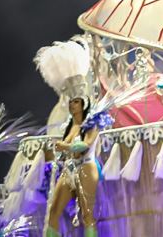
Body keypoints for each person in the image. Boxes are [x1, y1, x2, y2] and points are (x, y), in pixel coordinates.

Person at [44, 96, 101, 237]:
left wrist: (64, 145)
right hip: (68, 171)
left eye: (76, 101)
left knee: (87, 213)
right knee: (54, 211)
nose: (71, 104)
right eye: (70, 102)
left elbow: (85, 146)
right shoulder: (69, 127)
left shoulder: (92, 123)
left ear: (84, 105)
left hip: (86, 168)